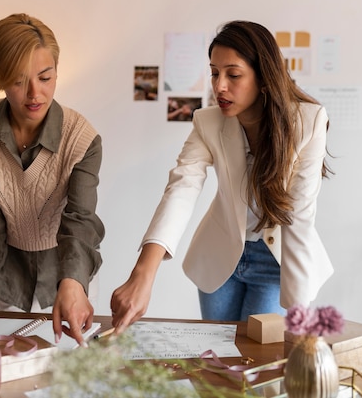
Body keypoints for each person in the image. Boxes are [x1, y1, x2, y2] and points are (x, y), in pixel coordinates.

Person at [111, 20, 333, 330]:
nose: (219, 86)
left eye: (233, 74)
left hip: (278, 265)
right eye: (215, 73)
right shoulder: (208, 121)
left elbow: (299, 216)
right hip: (221, 260)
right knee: (217, 360)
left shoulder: (308, 122)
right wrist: (143, 274)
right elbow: (182, 187)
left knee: (259, 365)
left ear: (264, 76)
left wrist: (298, 312)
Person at [0, 13, 105, 346]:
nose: (36, 93)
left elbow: (80, 220)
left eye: (46, 77)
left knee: (66, 368)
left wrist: (74, 283)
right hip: (3, 269)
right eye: (20, 81)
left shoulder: (82, 139)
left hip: (64, 264)